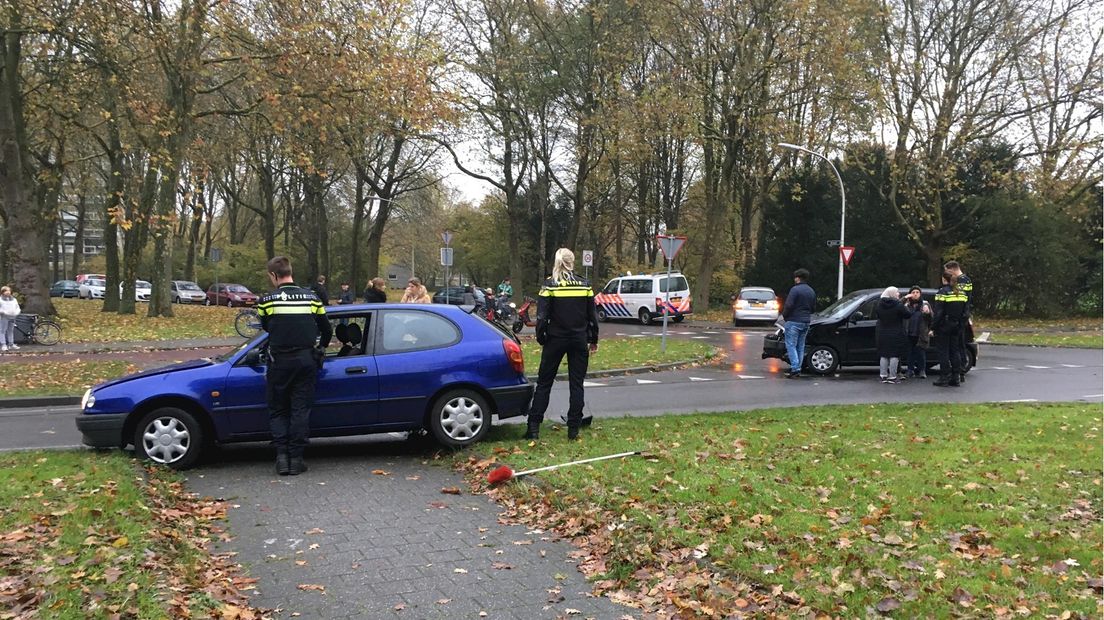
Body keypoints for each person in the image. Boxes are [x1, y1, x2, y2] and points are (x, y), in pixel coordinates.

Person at [256, 257, 333, 475]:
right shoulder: (312, 297)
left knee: (278, 409)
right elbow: (327, 329)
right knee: (300, 409)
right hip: (306, 360)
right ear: (291, 272)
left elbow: (266, 327)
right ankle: (297, 460)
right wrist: (321, 347)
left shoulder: (267, 300)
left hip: (279, 362)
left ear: (273, 275)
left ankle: (282, 458)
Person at [525, 249, 599, 441]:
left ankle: (533, 428)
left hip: (555, 339)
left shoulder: (550, 284)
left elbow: (542, 316)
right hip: (579, 339)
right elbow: (593, 316)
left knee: (544, 383)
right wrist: (594, 339)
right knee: (577, 384)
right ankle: (573, 429)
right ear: (572, 262)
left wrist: (542, 337)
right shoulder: (584, 285)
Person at [930, 271, 969, 387]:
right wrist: (961, 324)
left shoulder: (943, 292)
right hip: (957, 325)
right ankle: (956, 377)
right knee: (955, 351)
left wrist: (933, 327)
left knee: (944, 352)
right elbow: (966, 312)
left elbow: (938, 312)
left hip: (944, 326)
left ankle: (944, 377)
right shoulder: (962, 293)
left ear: (944, 279)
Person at [781, 268, 816, 378]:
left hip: (794, 321)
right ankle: (798, 368)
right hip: (806, 321)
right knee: (801, 346)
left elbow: (789, 305)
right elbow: (813, 308)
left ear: (797, 278)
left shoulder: (795, 290)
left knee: (791, 345)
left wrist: (785, 316)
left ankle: (795, 368)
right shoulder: (811, 291)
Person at [873, 286, 912, 384]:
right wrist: (906, 305)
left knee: (884, 354)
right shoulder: (898, 305)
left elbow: (877, 314)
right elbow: (907, 314)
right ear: (892, 294)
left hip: (882, 332)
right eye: (897, 292)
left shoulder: (879, 304)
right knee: (894, 355)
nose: (898, 294)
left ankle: (883, 375)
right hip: (896, 332)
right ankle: (893, 376)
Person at [944, 260, 973, 382]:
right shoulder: (967, 279)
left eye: (948, 272)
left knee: (958, 345)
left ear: (953, 269)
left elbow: (961, 299)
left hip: (960, 317)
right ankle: (959, 370)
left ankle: (960, 370)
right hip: (963, 315)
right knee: (959, 344)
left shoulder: (961, 281)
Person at [903, 285, 932, 379]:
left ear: (920, 294)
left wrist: (928, 313)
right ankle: (910, 370)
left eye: (917, 292)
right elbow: (898, 308)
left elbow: (931, 318)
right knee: (910, 352)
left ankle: (922, 370)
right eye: (913, 292)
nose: (915, 294)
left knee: (921, 352)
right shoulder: (907, 305)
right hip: (909, 332)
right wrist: (905, 298)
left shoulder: (925, 304)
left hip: (920, 333)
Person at [0, 286, 20, 353]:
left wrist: (17, 312)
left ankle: (11, 344)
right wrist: (3, 312)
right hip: (4, 317)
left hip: (12, 317)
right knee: (3, 331)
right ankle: (3, 345)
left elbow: (17, 307)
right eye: (6, 291)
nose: (8, 292)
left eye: (9, 290)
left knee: (10, 330)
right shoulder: (0, 299)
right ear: (2, 292)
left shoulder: (14, 299)